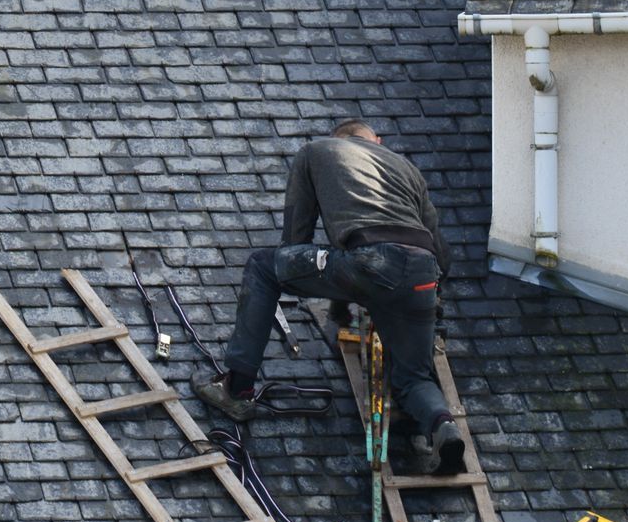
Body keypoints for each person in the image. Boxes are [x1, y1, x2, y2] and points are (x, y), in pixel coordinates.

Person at [195, 119, 464, 475]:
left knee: (264, 266)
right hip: (420, 274)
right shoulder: (407, 169)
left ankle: (237, 388)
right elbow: (442, 256)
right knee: (413, 378)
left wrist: (329, 293)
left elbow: (296, 238)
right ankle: (442, 424)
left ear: (338, 140)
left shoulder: (316, 151)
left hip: (368, 261)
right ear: (376, 141)